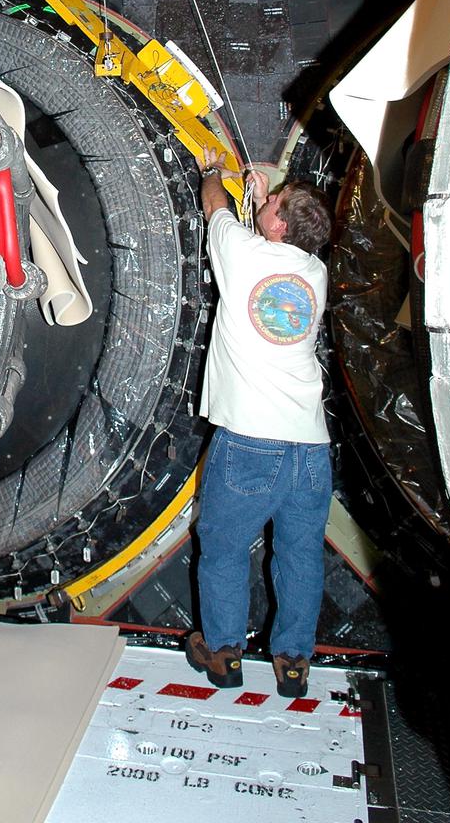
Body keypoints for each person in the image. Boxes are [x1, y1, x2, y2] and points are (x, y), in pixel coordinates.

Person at [185, 148, 333, 699]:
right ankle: (293, 661)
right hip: (311, 449)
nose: (267, 201)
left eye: (273, 203)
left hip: (251, 443)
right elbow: (271, 227)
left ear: (277, 224)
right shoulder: (314, 271)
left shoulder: (240, 251)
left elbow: (214, 205)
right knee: (299, 554)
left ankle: (223, 653)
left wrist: (211, 173)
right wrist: (266, 185)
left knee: (222, 547)